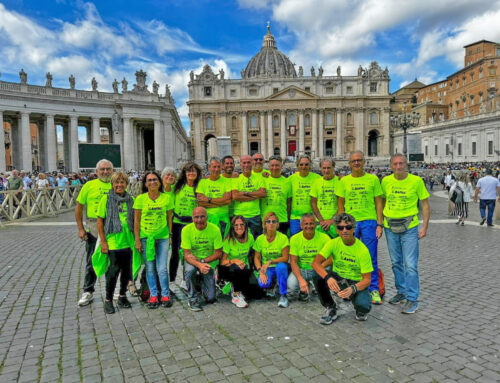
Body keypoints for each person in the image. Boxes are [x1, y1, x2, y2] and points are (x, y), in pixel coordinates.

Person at [381, 154, 430, 314]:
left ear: (406, 165)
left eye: (401, 163)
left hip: (410, 226)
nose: (398, 166)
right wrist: (379, 223)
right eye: (395, 164)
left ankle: (412, 298)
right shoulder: (386, 181)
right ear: (390, 166)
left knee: (410, 264)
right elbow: (381, 201)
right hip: (390, 226)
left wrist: (424, 227)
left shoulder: (416, 181)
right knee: (396, 262)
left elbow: (425, 205)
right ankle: (401, 291)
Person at [336, 151, 384, 305]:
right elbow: (340, 204)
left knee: (370, 257)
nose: (356, 163)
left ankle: (373, 289)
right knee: (349, 255)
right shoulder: (343, 181)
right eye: (353, 161)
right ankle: (351, 287)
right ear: (349, 164)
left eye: (359, 160)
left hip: (369, 221)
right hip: (350, 222)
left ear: (364, 162)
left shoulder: (373, 179)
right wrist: (341, 225)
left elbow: (378, 202)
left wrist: (379, 223)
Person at [312, 213, 373, 324]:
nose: (344, 230)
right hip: (339, 278)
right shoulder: (332, 243)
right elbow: (315, 263)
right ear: (337, 230)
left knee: (364, 307)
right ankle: (331, 307)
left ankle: (357, 303)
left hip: (356, 281)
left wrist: (353, 288)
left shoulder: (362, 250)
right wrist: (328, 277)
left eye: (348, 227)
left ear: (354, 229)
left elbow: (367, 280)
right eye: (340, 227)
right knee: (318, 276)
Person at [133, 171, 174, 309]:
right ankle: (153, 295)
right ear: (145, 184)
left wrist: (170, 235)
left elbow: (169, 218)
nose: (152, 182)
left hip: (162, 237)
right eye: (149, 180)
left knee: (162, 268)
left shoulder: (167, 198)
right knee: (150, 268)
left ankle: (165, 294)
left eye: (155, 179)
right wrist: (137, 240)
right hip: (146, 237)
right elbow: (136, 221)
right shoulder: (140, 199)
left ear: (159, 182)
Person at [75, 159, 113, 306]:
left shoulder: (116, 184)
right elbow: (79, 208)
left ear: (112, 171)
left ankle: (111, 291)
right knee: (91, 261)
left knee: (113, 261)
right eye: (102, 169)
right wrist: (80, 228)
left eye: (108, 169)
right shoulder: (89, 186)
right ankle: (88, 291)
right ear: (97, 172)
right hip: (92, 227)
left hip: (112, 227)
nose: (105, 172)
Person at [96, 172, 135, 314]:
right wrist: (104, 242)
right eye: (116, 183)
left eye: (122, 182)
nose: (119, 185)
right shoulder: (106, 199)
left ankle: (122, 296)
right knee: (113, 272)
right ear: (112, 184)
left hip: (128, 241)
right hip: (113, 241)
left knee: (126, 271)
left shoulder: (131, 199)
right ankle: (108, 300)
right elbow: (100, 221)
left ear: (126, 184)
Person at [181, 207, 223, 311]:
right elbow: (187, 254)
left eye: (202, 217)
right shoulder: (186, 230)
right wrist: (199, 265)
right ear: (192, 218)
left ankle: (200, 282)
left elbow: (218, 253)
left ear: (207, 217)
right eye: (196, 217)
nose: (199, 220)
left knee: (210, 298)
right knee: (189, 270)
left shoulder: (215, 229)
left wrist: (203, 262)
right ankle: (192, 298)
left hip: (208, 261)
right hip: (193, 261)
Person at [170, 162, 202, 283]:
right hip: (177, 223)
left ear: (197, 173)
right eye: (189, 171)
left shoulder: (199, 187)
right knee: (175, 253)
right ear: (184, 173)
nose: (191, 173)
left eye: (193, 171)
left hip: (191, 224)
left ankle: (187, 279)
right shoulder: (178, 186)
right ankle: (172, 280)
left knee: (189, 252)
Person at [287, 213, 330, 301]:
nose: (309, 226)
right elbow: (293, 262)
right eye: (306, 224)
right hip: (302, 269)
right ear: (301, 225)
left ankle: (317, 284)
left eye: (311, 223)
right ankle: (306, 284)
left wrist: (320, 267)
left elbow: (332, 257)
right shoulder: (294, 239)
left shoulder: (324, 238)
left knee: (329, 269)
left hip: (318, 268)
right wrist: (300, 279)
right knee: (291, 285)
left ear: (315, 224)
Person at [253, 212, 290, 308]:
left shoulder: (283, 237)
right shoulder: (260, 239)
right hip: (266, 269)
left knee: (281, 267)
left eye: (274, 221)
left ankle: (283, 295)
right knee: (263, 284)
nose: (271, 224)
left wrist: (270, 261)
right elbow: (256, 258)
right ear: (264, 224)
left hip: (279, 266)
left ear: (277, 224)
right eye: (268, 221)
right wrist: (260, 271)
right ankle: (272, 283)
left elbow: (286, 258)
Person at [218, 216, 254, 308]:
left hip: (244, 269)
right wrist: (235, 260)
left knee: (255, 294)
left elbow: (251, 255)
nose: (239, 227)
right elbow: (222, 262)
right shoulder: (228, 240)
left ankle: (235, 286)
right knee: (237, 267)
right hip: (229, 269)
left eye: (242, 224)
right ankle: (235, 295)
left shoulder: (250, 238)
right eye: (236, 225)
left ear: (245, 226)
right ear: (233, 227)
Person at [232, 155, 267, 239]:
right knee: (240, 240)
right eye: (244, 163)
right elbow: (235, 196)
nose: (246, 165)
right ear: (240, 164)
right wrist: (255, 195)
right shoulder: (236, 179)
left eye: (248, 162)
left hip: (255, 215)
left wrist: (245, 193)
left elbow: (263, 194)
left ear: (252, 164)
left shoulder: (259, 178)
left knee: (256, 241)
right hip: (239, 215)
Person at [196, 157, 232, 235]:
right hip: (207, 219)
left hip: (223, 219)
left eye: (218, 167)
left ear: (222, 167)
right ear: (209, 168)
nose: (216, 169)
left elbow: (228, 201)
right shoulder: (202, 182)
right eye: (214, 167)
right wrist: (221, 201)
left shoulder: (226, 182)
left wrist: (208, 199)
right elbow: (200, 203)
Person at [288, 154, 321, 236]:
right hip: (295, 218)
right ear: (297, 166)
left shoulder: (317, 178)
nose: (304, 167)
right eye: (301, 164)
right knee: (295, 242)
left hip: (312, 217)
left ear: (310, 165)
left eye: (306, 164)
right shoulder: (290, 179)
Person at [261, 155, 291, 235]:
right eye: (272, 165)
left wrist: (288, 218)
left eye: (277, 165)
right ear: (269, 167)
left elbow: (289, 202)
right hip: (266, 219)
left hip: (282, 219)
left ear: (281, 166)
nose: (274, 168)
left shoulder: (287, 182)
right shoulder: (263, 179)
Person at [310, 158, 339, 238]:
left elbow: (342, 204)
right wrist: (321, 221)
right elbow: (313, 203)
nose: (326, 170)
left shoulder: (340, 181)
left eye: (329, 168)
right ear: (321, 168)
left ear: (333, 168)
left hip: (336, 222)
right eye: (324, 168)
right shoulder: (316, 182)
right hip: (320, 222)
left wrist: (331, 221)